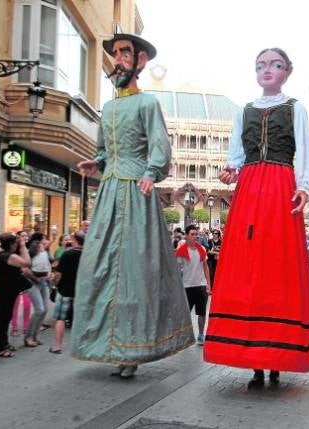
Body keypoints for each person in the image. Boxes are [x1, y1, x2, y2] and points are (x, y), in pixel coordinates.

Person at [73, 33, 194, 378]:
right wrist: (96, 163)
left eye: (125, 53)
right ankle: (109, 346)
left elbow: (160, 145)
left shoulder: (147, 104)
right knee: (100, 267)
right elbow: (104, 148)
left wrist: (151, 173)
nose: (118, 59)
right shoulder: (108, 108)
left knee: (133, 273)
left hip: (135, 194)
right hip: (110, 190)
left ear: (140, 61)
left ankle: (134, 349)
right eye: (115, 54)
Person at [203, 47, 309, 389]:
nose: (268, 70)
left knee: (276, 265)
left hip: (281, 185)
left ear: (288, 71)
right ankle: (255, 361)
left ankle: (275, 359)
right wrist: (230, 171)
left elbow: (306, 149)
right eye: (262, 65)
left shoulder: (296, 108)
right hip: (251, 188)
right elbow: (235, 157)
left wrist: (305, 187)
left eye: (276, 65)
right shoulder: (244, 110)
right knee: (248, 263)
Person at [0, 233, 31, 357]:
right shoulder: (8, 256)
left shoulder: (0, 254)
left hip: (5, 289)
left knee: (5, 317)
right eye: (15, 243)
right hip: (7, 290)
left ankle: (4, 343)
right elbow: (26, 262)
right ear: (11, 244)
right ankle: (0, 348)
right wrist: (23, 246)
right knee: (4, 318)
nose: (17, 245)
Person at [49, 231, 84, 354]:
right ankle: (82, 346)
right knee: (81, 318)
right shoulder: (88, 254)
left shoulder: (67, 254)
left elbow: (58, 273)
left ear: (74, 240)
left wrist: (54, 283)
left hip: (65, 290)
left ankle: (58, 346)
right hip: (81, 290)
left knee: (61, 318)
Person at [176, 225, 211, 345]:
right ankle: (184, 336)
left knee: (201, 313)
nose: (195, 236)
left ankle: (201, 335)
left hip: (200, 285)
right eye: (192, 234)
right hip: (187, 286)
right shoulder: (181, 250)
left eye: (196, 234)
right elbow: (177, 268)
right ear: (186, 235)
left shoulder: (202, 248)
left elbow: (206, 267)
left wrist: (208, 284)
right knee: (186, 314)